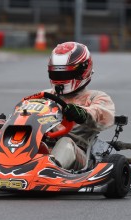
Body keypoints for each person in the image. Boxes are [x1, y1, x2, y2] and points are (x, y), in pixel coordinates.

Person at [45, 41, 115, 171]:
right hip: (41, 147)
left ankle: (50, 170)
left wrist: (82, 114)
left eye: (65, 74)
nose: (61, 79)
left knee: (65, 143)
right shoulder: (44, 96)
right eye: (57, 74)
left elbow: (104, 116)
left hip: (77, 152)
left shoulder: (96, 97)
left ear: (83, 70)